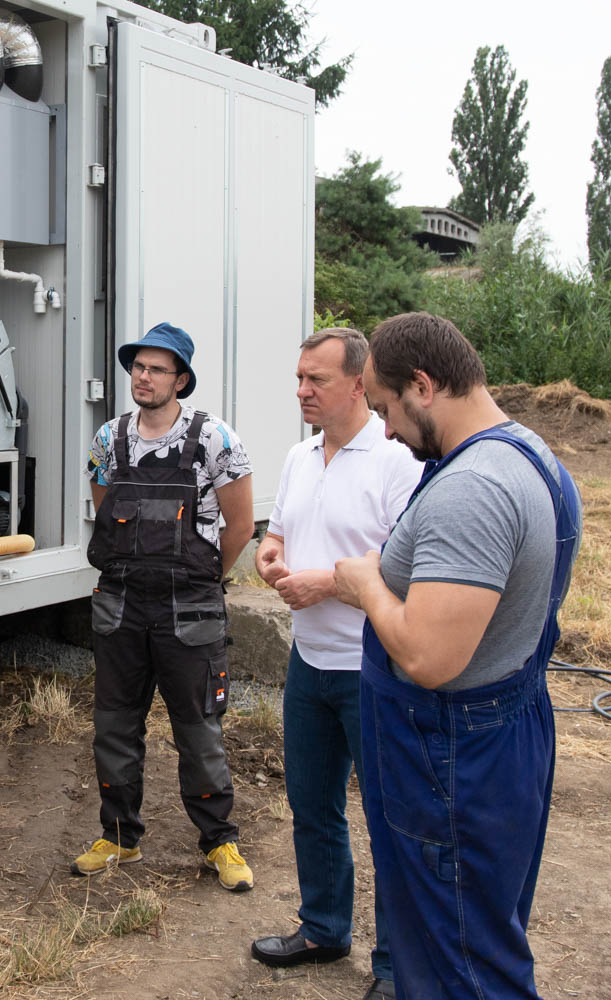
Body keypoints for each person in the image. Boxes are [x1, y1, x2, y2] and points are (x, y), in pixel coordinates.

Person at [333, 312, 581, 999]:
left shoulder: (473, 489)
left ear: (422, 385)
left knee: (463, 961)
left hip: (448, 756)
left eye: (385, 409)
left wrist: (365, 587)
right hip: (498, 739)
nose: (384, 429)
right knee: (469, 934)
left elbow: (428, 657)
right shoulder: (529, 452)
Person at [248, 329, 422, 1000]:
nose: (301, 391)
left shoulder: (397, 462)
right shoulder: (298, 456)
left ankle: (395, 966)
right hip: (308, 663)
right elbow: (283, 531)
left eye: (315, 380)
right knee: (312, 805)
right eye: (298, 378)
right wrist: (271, 555)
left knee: (388, 818)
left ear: (358, 385)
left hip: (372, 667)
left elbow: (406, 566)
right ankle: (323, 928)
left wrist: (326, 583)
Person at [78, 322, 256, 889]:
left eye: (156, 369)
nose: (143, 377)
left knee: (199, 730)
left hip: (191, 609)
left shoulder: (215, 440)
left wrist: (205, 580)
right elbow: (106, 511)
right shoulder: (109, 439)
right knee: (114, 726)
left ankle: (219, 844)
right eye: (137, 367)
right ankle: (119, 837)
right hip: (122, 605)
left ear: (181, 379)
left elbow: (241, 525)